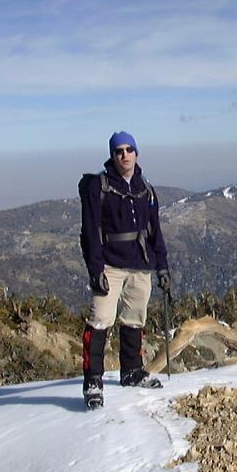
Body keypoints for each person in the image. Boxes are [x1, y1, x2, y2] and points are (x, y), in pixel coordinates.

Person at [78, 131, 171, 408]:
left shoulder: (145, 188)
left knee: (134, 319)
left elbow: (155, 231)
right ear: (112, 155)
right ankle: (93, 381)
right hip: (110, 265)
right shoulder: (99, 186)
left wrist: (162, 266)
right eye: (119, 151)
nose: (125, 154)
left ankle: (131, 371)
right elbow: (90, 231)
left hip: (140, 265)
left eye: (129, 149)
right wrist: (96, 269)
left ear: (137, 153)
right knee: (100, 320)